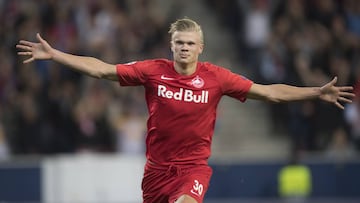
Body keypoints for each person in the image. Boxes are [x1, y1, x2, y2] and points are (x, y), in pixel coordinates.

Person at [16, 17, 355, 203]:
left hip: (192, 168)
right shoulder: (152, 71)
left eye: (190, 43)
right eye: (179, 42)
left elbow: (270, 93)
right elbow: (103, 69)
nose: (184, 48)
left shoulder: (217, 78)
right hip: (155, 173)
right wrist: (57, 55)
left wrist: (315, 92)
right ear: (171, 45)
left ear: (201, 48)